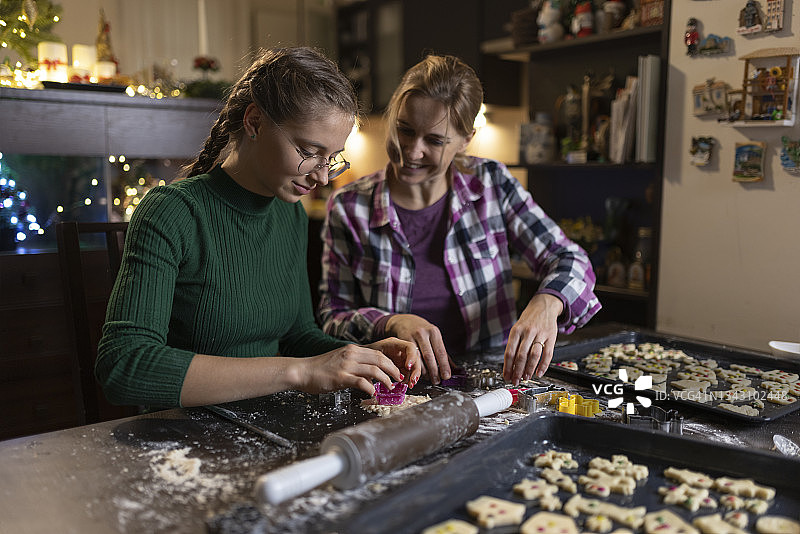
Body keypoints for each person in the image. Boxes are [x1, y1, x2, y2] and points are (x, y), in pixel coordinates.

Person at [96, 47, 422, 409]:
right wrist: (298, 373)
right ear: (254, 122)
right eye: (309, 151)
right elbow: (125, 367)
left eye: (331, 159)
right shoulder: (172, 212)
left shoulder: (290, 213)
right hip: (184, 443)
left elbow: (298, 337)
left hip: (267, 424)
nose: (321, 175)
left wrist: (360, 357)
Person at [317, 54, 600, 386]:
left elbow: (570, 259)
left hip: (492, 387)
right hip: (395, 391)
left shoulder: (491, 184)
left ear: (466, 139)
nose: (412, 151)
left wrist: (548, 303)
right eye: (404, 130)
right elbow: (331, 318)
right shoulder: (350, 207)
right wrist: (391, 322)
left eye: (435, 140)